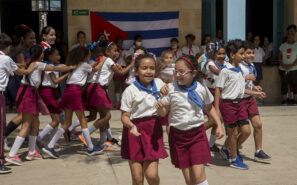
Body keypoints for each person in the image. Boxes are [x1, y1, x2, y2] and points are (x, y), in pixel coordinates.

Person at [156, 55, 224, 185]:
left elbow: (209, 108)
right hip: (178, 136)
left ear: (193, 73)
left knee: (198, 178)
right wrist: (160, 109)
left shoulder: (201, 88)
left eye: (182, 71)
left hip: (197, 135)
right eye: (176, 71)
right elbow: (164, 111)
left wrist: (219, 125)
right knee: (189, 180)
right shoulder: (170, 89)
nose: (178, 74)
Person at [5, 44, 75, 166]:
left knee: (35, 123)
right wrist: (72, 67)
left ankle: (32, 152)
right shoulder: (38, 64)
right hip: (28, 93)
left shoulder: (32, 62)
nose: (44, 53)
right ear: (39, 54)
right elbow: (57, 69)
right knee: (26, 125)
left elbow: (57, 66)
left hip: (32, 93)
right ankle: (12, 154)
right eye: (43, 52)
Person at [42, 46, 106, 159]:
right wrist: (102, 61)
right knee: (82, 120)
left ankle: (50, 146)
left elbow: (90, 66)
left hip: (68, 91)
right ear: (84, 56)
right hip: (75, 92)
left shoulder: (77, 65)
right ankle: (91, 148)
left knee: (66, 122)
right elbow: (95, 69)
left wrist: (95, 63)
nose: (90, 56)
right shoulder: (84, 65)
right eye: (88, 54)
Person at [215, 39, 265, 170]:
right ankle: (234, 158)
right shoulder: (225, 70)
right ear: (232, 55)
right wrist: (217, 110)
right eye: (241, 53)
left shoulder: (238, 70)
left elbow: (241, 89)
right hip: (228, 105)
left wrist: (255, 93)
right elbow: (218, 90)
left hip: (240, 104)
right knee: (232, 133)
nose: (243, 56)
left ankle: (231, 151)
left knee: (246, 131)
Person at [121, 53, 168, 185]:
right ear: (136, 70)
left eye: (152, 68)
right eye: (144, 68)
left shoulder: (160, 84)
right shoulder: (130, 91)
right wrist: (131, 126)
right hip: (134, 132)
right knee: (137, 179)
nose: (148, 71)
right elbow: (124, 116)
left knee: (152, 176)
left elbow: (164, 113)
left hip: (153, 130)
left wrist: (162, 109)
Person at [85, 42, 134, 147]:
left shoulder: (106, 59)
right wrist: (131, 64)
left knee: (103, 116)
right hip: (97, 88)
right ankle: (86, 133)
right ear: (107, 52)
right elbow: (121, 73)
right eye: (114, 50)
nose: (116, 52)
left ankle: (103, 142)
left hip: (96, 88)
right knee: (107, 116)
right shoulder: (108, 60)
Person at [0, 33, 36, 173]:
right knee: (1, 128)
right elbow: (19, 71)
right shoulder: (6, 58)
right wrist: (29, 69)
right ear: (8, 48)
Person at [240, 41, 271, 162]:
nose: (251, 55)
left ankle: (258, 150)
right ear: (242, 54)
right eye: (248, 53)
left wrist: (254, 86)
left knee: (258, 124)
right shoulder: (238, 67)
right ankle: (230, 149)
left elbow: (249, 83)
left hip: (249, 99)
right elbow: (234, 83)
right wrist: (246, 78)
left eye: (252, 53)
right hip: (239, 100)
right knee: (241, 131)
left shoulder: (251, 65)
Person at [37, 48, 70, 147]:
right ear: (51, 57)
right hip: (47, 92)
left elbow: (64, 66)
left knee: (58, 118)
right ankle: (38, 139)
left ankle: (50, 141)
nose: (59, 56)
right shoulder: (48, 67)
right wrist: (67, 74)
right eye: (57, 54)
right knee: (55, 120)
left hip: (54, 92)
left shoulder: (54, 65)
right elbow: (55, 81)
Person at [202, 41, 228, 152]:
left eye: (223, 53)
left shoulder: (226, 64)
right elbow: (216, 72)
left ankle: (211, 144)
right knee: (214, 120)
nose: (221, 56)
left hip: (220, 93)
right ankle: (194, 133)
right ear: (213, 54)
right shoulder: (210, 63)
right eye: (218, 53)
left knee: (218, 120)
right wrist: (230, 71)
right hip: (209, 93)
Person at [278, 24, 297, 105]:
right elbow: (279, 57)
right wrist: (283, 65)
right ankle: (284, 100)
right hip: (283, 69)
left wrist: (291, 65)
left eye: (293, 34)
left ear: (294, 35)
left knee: (294, 84)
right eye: (289, 34)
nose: (291, 35)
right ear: (287, 34)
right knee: (284, 84)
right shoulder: (283, 46)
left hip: (295, 68)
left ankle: (295, 100)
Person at [113, 36, 129, 106]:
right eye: (119, 42)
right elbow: (112, 61)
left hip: (124, 68)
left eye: (121, 42)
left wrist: (125, 59)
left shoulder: (125, 51)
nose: (120, 43)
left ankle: (123, 102)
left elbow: (129, 61)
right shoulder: (114, 52)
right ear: (116, 43)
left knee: (123, 85)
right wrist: (118, 57)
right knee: (117, 85)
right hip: (116, 68)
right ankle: (117, 102)